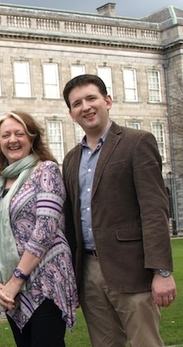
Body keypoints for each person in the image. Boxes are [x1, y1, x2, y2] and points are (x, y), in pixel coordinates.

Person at [62, 74, 177, 346]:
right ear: (71, 114)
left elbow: (154, 209)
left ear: (108, 101)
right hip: (88, 270)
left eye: (92, 98)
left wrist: (162, 272)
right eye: (77, 103)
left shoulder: (137, 142)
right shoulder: (71, 159)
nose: (86, 107)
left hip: (132, 269)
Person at [0, 111, 78, 347]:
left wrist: (16, 280)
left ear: (31, 139)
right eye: (5, 135)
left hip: (45, 282)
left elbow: (45, 230)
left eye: (19, 133)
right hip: (12, 292)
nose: (12, 139)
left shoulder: (47, 171)